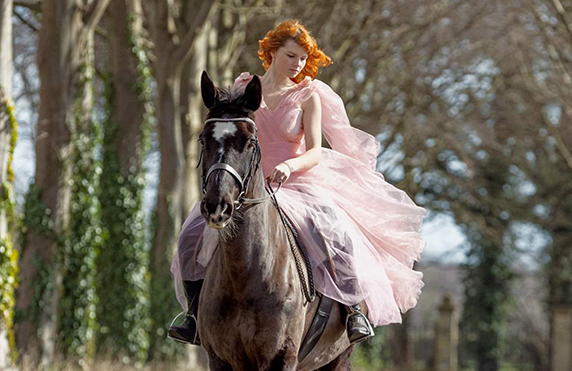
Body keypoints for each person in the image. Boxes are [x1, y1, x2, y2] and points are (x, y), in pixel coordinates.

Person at [168, 19, 426, 346]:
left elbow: (316, 151)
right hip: (245, 185)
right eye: (292, 56)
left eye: (303, 59)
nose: (298, 64)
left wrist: (290, 166)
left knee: (334, 232)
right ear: (272, 52)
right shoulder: (245, 87)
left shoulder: (308, 96)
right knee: (191, 233)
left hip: (296, 182)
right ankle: (193, 316)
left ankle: (351, 312)